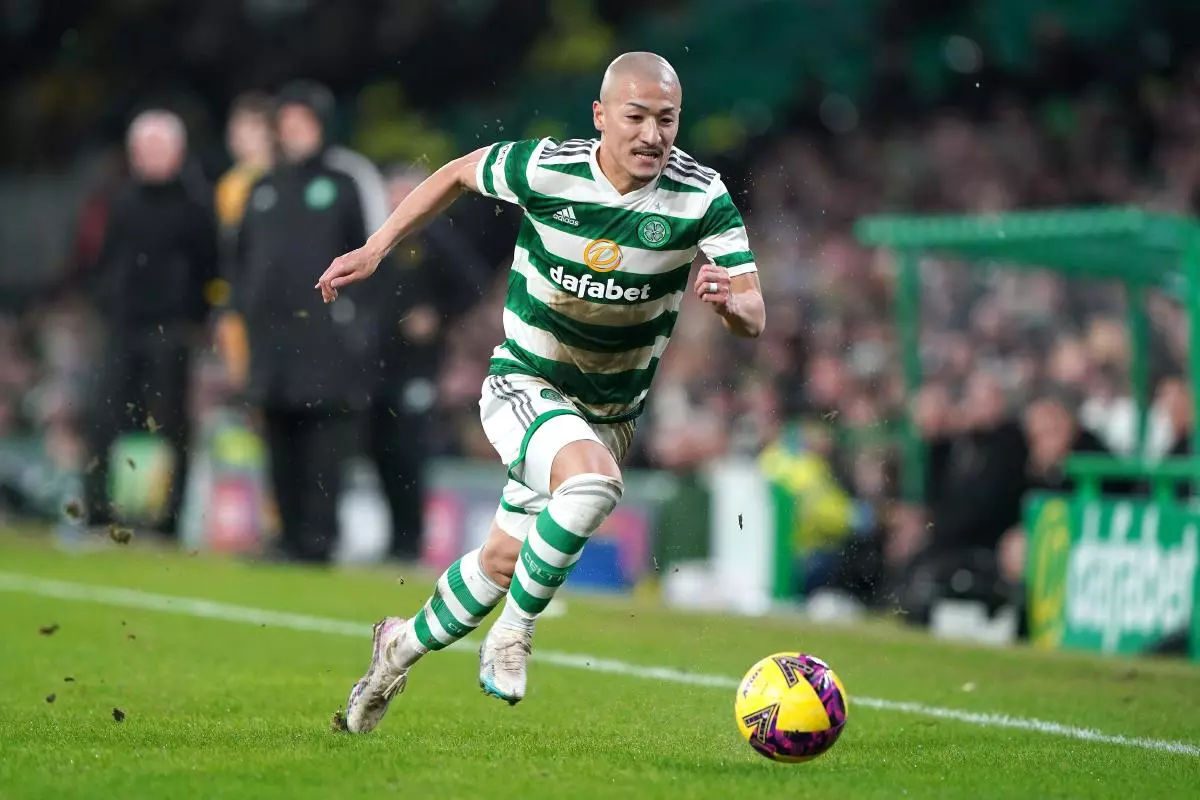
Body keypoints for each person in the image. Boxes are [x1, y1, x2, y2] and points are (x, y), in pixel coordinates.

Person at [318, 52, 766, 732]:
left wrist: (730, 307)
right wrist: (379, 247)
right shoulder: (548, 167)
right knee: (594, 486)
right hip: (525, 382)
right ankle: (513, 634)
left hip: (609, 411)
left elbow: (754, 311)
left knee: (501, 561)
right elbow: (455, 173)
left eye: (666, 120)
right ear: (601, 116)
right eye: (636, 117)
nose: (652, 134)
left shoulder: (700, 196)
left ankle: (396, 649)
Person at [230, 81, 372, 564]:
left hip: (325, 339)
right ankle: (286, 536)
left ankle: (318, 540)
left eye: (300, 123)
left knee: (322, 443)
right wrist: (240, 308)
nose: (291, 133)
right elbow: (239, 258)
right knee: (277, 437)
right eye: (284, 124)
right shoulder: (262, 187)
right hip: (270, 340)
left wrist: (358, 325)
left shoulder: (344, 183)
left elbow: (371, 258)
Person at [83, 109, 217, 538]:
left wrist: (194, 318)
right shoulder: (121, 200)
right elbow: (105, 262)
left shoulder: (196, 204)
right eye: (141, 148)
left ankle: (170, 520)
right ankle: (96, 512)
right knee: (102, 416)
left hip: (171, 329)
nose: (149, 156)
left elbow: (209, 266)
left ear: (177, 152)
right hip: (123, 326)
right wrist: (107, 305)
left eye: (157, 147)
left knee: (173, 424)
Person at [363, 166, 491, 561]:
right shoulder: (374, 238)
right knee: (377, 448)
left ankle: (409, 539)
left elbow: (473, 285)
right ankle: (394, 538)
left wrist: (439, 315)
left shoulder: (436, 238)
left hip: (416, 364)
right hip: (373, 362)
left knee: (407, 450)